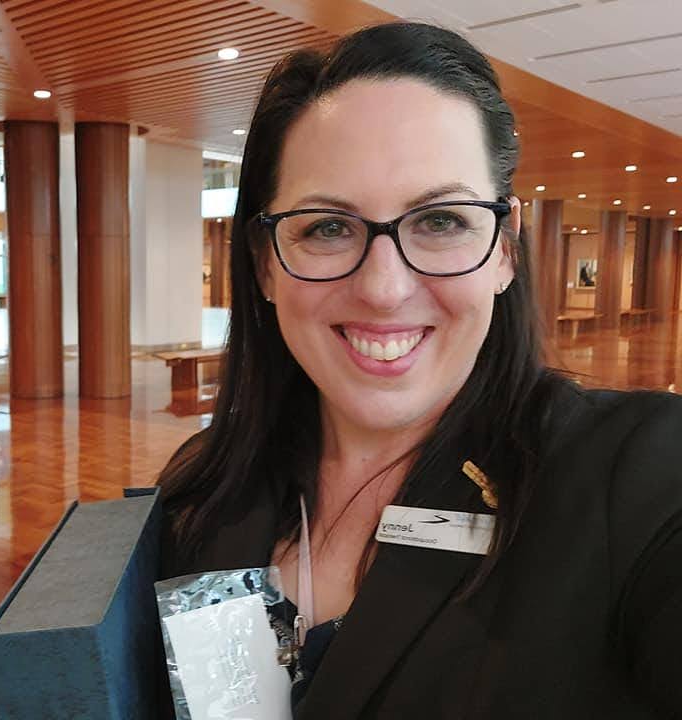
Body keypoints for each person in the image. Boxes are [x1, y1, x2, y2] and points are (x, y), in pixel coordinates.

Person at [156, 21, 682, 719]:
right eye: (327, 227)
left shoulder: (637, 476)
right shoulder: (208, 487)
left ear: (504, 249)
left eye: (439, 221)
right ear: (263, 264)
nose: (383, 288)